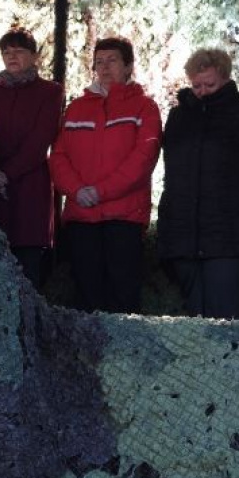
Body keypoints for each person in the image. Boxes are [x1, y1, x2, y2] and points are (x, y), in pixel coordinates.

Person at [48, 36, 161, 314]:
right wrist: (76, 190)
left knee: (122, 298)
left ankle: (125, 344)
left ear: (128, 66)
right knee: (86, 298)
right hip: (82, 217)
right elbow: (58, 156)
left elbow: (143, 159)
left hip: (123, 217)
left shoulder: (144, 107)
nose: (105, 67)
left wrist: (101, 191)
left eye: (112, 60)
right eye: (99, 62)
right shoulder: (76, 108)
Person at [157, 49, 239, 319]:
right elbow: (172, 177)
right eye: (196, 86)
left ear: (225, 78)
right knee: (195, 325)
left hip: (231, 239)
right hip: (185, 238)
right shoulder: (179, 117)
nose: (203, 91)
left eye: (210, 85)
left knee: (226, 324)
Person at [0, 27, 63, 287]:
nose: (12, 56)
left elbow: (40, 140)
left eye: (18, 51)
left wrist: (6, 173)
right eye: (6, 52)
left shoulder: (50, 91)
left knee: (28, 272)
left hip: (30, 188)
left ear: (34, 56)